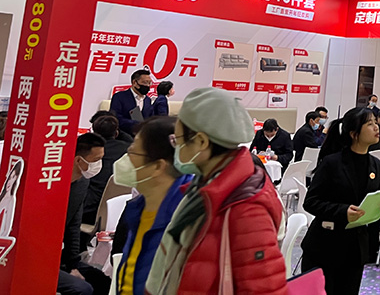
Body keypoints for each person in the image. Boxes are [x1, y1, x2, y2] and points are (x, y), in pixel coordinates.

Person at [144, 87, 286, 294]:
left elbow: (265, 287)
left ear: (201, 142)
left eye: (178, 140)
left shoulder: (247, 208)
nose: (176, 147)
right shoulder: (204, 185)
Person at [301, 107, 380, 294]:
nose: (376, 127)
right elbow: (310, 202)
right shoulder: (332, 163)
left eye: (375, 123)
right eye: (369, 124)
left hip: (355, 250)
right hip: (325, 247)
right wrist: (342, 212)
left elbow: (374, 202)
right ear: (354, 134)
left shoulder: (376, 165)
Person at [112, 116, 192, 295]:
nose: (125, 160)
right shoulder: (140, 206)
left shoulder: (186, 218)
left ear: (157, 166)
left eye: (132, 152)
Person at [58, 132, 109, 295]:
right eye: (96, 160)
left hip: (63, 255)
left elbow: (74, 225)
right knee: (82, 289)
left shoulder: (81, 183)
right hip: (40, 257)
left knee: (103, 280)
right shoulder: (54, 183)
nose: (99, 165)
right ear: (79, 160)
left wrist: (73, 264)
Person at [83, 115, 129, 226]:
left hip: (88, 210)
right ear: (116, 133)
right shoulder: (128, 150)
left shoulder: (87, 152)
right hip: (119, 211)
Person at [110, 67, 154, 135]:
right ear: (134, 82)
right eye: (145, 82)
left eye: (149, 83)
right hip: (123, 134)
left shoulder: (148, 100)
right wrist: (136, 124)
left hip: (143, 135)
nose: (148, 85)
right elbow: (115, 118)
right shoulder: (119, 97)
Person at [0, 158, 23, 237]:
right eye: (10, 177)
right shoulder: (2, 196)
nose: (9, 182)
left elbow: (6, 230)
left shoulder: (11, 200)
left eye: (13, 178)